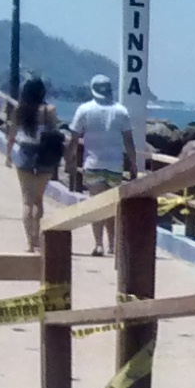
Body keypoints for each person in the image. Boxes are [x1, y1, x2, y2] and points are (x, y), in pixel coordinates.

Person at [66, 73, 138, 257]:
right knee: (112, 206)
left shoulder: (84, 109)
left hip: (92, 164)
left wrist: (70, 160)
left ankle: (98, 244)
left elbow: (74, 139)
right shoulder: (121, 111)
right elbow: (129, 141)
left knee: (96, 205)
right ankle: (113, 245)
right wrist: (133, 165)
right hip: (114, 166)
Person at [7, 78, 62, 253]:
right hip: (44, 156)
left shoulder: (19, 110)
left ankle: (30, 242)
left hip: (24, 154)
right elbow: (55, 133)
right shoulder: (49, 110)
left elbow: (12, 135)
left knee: (26, 200)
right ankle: (37, 236)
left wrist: (8, 155)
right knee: (38, 200)